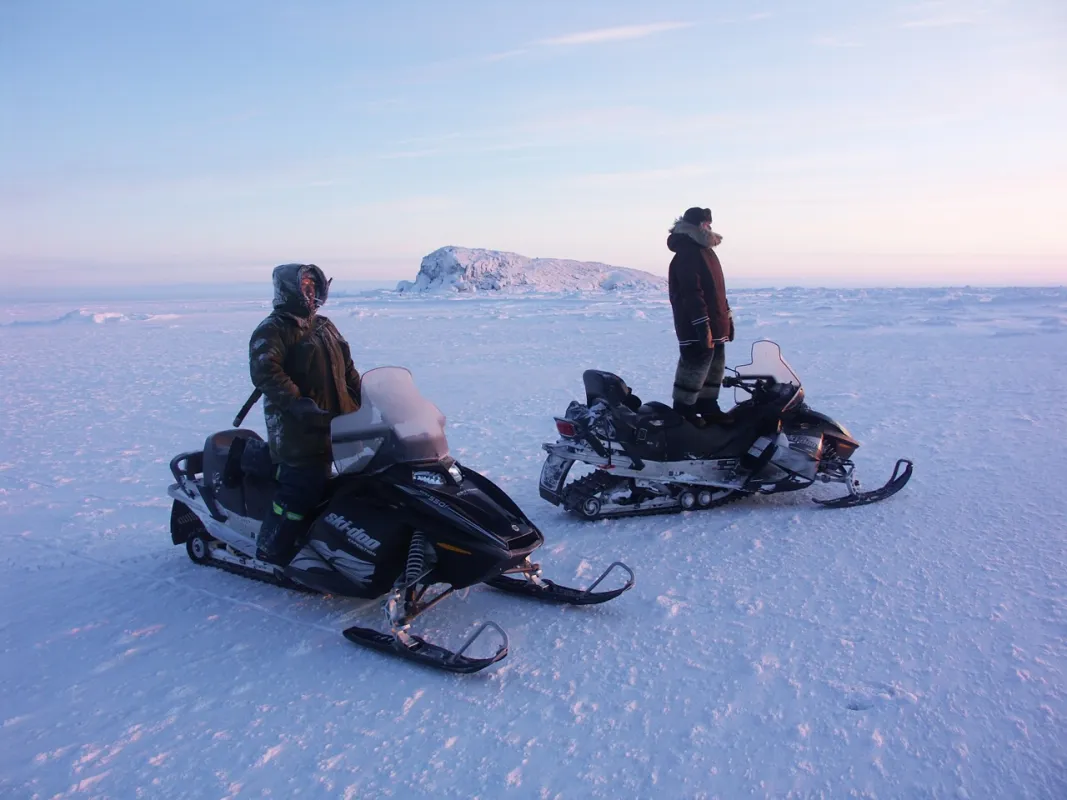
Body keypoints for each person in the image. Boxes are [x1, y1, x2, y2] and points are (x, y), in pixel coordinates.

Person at [249, 263, 362, 566]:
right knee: (304, 487)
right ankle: (273, 548)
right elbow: (265, 371)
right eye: (305, 287)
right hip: (297, 428)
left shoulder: (325, 326)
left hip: (339, 423)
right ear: (288, 290)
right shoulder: (274, 329)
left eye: (314, 287)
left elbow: (348, 368)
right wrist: (298, 403)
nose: (310, 294)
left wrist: (367, 397)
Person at [667, 207, 735, 427]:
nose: (709, 227)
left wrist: (727, 317)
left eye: (709, 224)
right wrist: (701, 323)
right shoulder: (688, 253)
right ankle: (684, 409)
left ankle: (707, 405)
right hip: (696, 325)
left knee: (715, 365)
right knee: (695, 364)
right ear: (695, 226)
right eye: (705, 224)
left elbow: (717, 291)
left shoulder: (706, 251)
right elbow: (691, 293)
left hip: (716, 322)